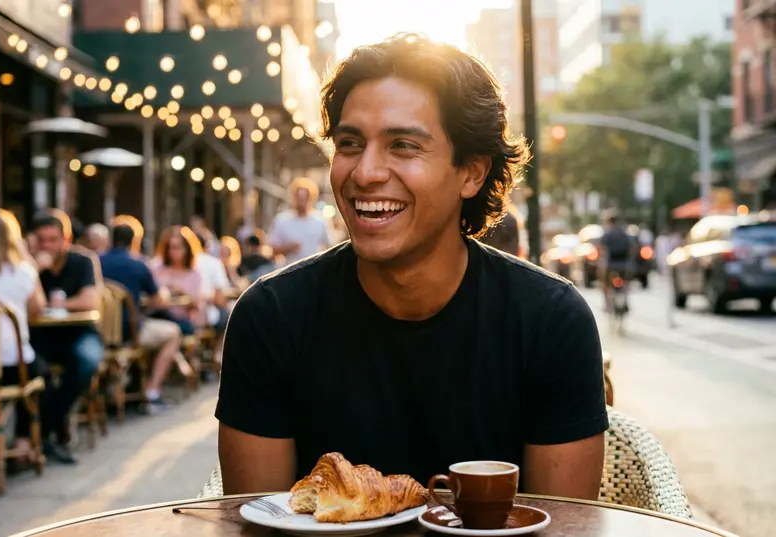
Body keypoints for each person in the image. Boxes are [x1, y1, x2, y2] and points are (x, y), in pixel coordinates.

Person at [216, 34, 608, 499]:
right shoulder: (270, 318)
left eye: (402, 145)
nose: (365, 173)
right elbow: (260, 522)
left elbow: (563, 526)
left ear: (472, 172)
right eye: (349, 143)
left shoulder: (550, 320)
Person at [30, 213, 103, 464]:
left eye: (53, 239)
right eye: (42, 240)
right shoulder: (29, 266)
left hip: (80, 332)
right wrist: (34, 269)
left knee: (85, 362)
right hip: (42, 335)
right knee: (36, 369)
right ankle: (51, 434)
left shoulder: (82, 260)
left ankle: (45, 430)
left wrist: (51, 303)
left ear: (66, 238)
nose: (47, 246)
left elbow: (89, 301)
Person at [0, 210, 47, 465]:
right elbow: (38, 311)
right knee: (39, 371)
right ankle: (23, 441)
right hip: (13, 367)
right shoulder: (23, 273)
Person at [100, 224, 182, 408]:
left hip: (100, 331)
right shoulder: (138, 264)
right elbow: (160, 300)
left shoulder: (97, 261)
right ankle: (152, 392)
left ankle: (122, 384)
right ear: (134, 241)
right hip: (129, 331)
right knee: (173, 333)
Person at [151, 226, 204, 336]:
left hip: (181, 319)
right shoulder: (156, 268)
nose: (173, 252)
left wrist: (181, 291)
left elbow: (197, 303)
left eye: (177, 248)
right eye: (170, 248)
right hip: (159, 317)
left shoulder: (194, 274)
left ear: (187, 249)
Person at [268, 177, 332, 265]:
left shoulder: (321, 220)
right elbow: (273, 251)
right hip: (290, 272)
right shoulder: (281, 220)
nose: (302, 201)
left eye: (306, 197)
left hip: (315, 272)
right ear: (293, 197)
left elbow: (329, 247)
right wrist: (287, 248)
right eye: (299, 197)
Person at [599, 213, 634, 311]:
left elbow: (602, 249)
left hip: (610, 264)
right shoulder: (624, 233)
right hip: (624, 264)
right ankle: (626, 300)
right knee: (626, 282)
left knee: (604, 283)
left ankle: (607, 304)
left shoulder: (607, 234)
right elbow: (631, 248)